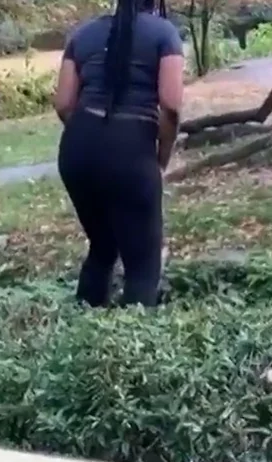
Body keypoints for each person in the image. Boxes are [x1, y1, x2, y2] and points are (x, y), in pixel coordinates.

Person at [52, 0, 184, 308]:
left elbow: (63, 104)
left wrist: (91, 135)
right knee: (143, 261)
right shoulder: (165, 34)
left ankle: (85, 321)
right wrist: (161, 156)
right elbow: (172, 107)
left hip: (76, 150)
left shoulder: (82, 35)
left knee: (103, 245)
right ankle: (131, 340)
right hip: (131, 147)